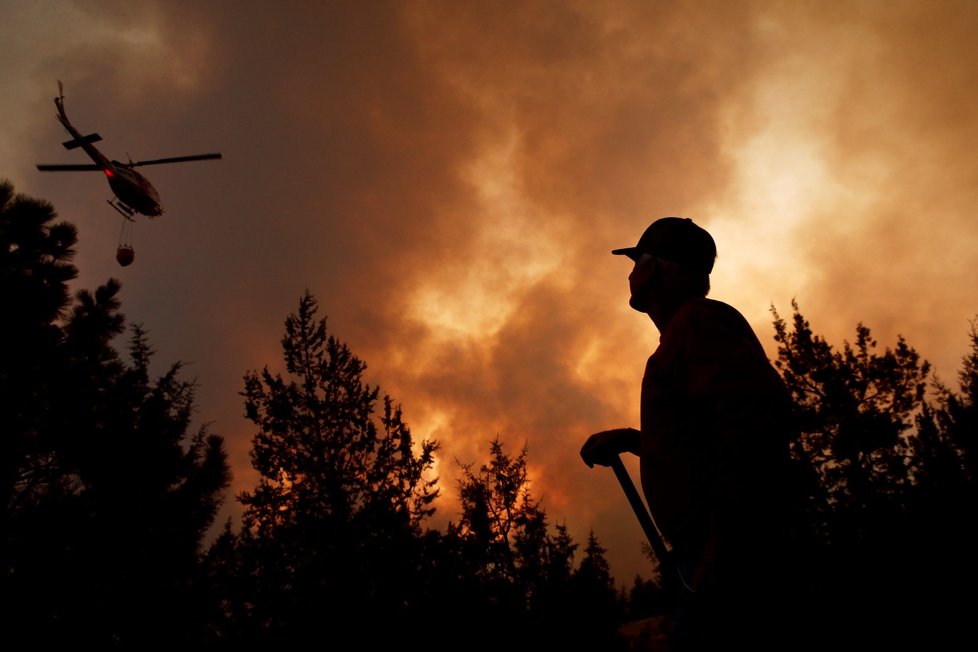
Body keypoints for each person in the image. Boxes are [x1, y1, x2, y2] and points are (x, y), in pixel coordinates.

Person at [580, 217, 813, 651]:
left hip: (732, 559)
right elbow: (710, 437)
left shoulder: (695, 325)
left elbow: (754, 423)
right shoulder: (688, 332)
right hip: (723, 554)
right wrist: (635, 441)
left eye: (636, 261)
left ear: (654, 268)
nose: (630, 274)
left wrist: (720, 547)